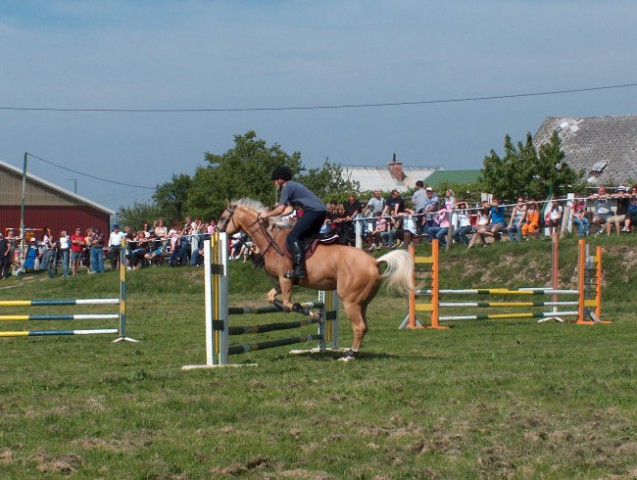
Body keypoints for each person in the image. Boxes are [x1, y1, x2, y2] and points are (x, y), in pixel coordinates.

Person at [260, 166, 327, 280]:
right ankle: (312, 266)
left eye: (274, 180)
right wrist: (275, 216)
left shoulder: (287, 187)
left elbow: (281, 208)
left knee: (292, 237)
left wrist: (266, 215)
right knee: (307, 238)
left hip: (313, 212)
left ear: (280, 180)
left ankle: (299, 270)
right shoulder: (292, 186)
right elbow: (289, 209)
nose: (274, 183)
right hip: (321, 212)